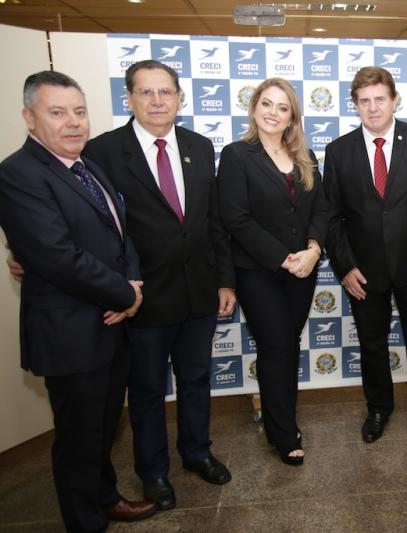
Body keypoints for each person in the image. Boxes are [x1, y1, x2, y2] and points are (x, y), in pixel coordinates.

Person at [0, 71, 156, 532]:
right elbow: (57, 256)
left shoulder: (86, 165)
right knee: (78, 438)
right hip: (69, 333)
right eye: (57, 112)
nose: (73, 122)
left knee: (102, 428)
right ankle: (85, 522)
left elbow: (121, 234)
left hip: (110, 325)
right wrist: (126, 294)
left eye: (80, 111)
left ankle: (105, 498)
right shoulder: (18, 173)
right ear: (30, 118)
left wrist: (133, 284)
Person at [80, 60, 236, 509]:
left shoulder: (199, 146)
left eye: (165, 91)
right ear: (129, 97)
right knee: (147, 390)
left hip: (200, 290)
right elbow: (94, 226)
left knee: (196, 379)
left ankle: (197, 452)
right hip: (142, 296)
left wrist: (225, 282)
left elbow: (213, 221)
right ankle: (152, 471)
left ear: (179, 98)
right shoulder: (103, 151)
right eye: (145, 92)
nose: (156, 101)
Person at [323, 66, 407, 452]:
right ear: (354, 105)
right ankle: (379, 409)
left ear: (394, 100)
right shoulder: (339, 151)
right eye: (364, 101)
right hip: (364, 272)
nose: (373, 108)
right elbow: (331, 217)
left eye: (380, 99)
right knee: (372, 344)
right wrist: (346, 267)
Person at [217, 78, 327, 466]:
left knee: (287, 345)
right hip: (258, 271)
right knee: (277, 346)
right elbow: (235, 218)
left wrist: (314, 250)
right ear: (253, 109)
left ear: (292, 116)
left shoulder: (305, 156)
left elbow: (322, 209)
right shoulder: (236, 154)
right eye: (266, 103)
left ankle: (281, 420)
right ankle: (283, 432)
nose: (273, 113)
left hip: (303, 270)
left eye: (283, 107)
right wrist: (284, 258)